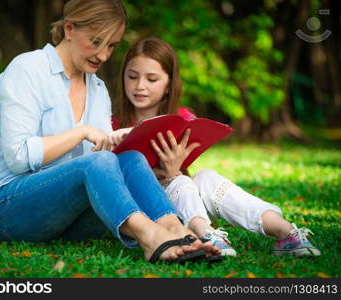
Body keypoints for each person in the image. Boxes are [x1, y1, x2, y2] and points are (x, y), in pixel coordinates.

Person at [0, 0, 223, 264]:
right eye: (97, 42)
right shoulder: (27, 69)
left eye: (111, 46)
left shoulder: (97, 89)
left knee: (129, 158)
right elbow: (18, 157)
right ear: (69, 29)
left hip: (67, 217)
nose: (104, 55)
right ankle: (151, 237)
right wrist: (81, 132)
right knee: (99, 160)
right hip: (8, 210)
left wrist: (139, 154)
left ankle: (177, 229)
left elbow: (109, 165)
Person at [112, 37, 321, 257]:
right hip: (150, 212)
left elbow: (183, 173)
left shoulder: (182, 119)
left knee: (206, 177)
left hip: (185, 204)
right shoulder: (112, 125)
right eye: (132, 76)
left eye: (151, 79)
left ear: (168, 85)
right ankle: (206, 235)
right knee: (181, 180)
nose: (139, 86)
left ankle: (286, 232)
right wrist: (169, 174)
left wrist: (173, 171)